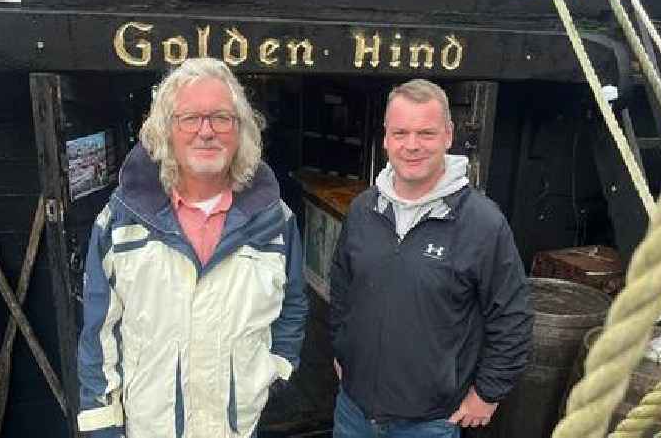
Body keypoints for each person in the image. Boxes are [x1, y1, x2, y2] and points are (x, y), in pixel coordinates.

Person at [77, 58, 308, 438]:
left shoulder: (276, 221)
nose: (206, 132)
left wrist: (273, 373)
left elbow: (294, 306)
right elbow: (99, 335)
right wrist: (103, 427)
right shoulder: (120, 222)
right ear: (165, 130)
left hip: (236, 428)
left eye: (221, 118)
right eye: (189, 118)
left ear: (241, 131)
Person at [330, 79, 533, 438]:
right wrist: (340, 349)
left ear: (448, 135)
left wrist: (488, 393)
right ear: (386, 137)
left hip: (429, 422)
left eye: (426, 133)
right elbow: (343, 287)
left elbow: (512, 316)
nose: (411, 145)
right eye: (401, 132)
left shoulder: (482, 223)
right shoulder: (363, 209)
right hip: (353, 411)